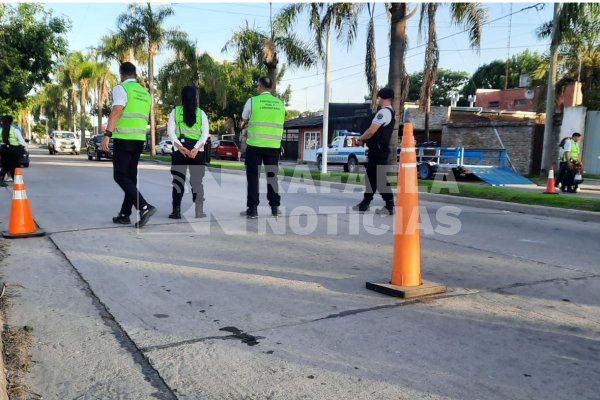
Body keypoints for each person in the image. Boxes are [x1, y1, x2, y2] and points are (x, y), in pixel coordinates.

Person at [101, 62, 156, 228]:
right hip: (138, 139)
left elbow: (117, 111)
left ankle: (144, 206)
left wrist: (107, 135)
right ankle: (125, 214)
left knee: (120, 176)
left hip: (124, 138)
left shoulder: (121, 88)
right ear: (135, 74)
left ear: (122, 74)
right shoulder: (145, 92)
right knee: (130, 178)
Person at [239, 77, 286, 219]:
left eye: (257, 86)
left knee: (253, 177)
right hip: (273, 146)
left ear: (260, 87)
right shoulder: (280, 104)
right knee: (272, 177)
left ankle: (253, 210)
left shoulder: (252, 101)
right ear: (271, 88)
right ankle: (274, 208)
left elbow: (244, 118)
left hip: (255, 145)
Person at [166, 86, 209, 219]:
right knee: (197, 182)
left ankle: (176, 211)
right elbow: (205, 133)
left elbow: (171, 132)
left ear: (182, 97)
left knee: (178, 181)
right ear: (195, 98)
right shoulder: (201, 113)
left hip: (180, 152)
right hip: (197, 153)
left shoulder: (175, 111)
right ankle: (199, 211)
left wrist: (180, 147)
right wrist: (196, 148)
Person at [354, 88, 396, 215]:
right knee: (372, 177)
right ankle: (365, 203)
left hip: (379, 151)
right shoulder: (390, 112)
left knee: (378, 178)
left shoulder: (383, 112)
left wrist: (361, 138)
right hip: (378, 150)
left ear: (382, 98)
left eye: (378, 97)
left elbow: (372, 130)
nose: (377, 99)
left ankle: (389, 205)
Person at [0, 116, 27, 187]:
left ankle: (2, 178)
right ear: (11, 122)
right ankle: (17, 180)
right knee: (15, 166)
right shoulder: (15, 130)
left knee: (5, 165)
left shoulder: (0, 131)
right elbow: (22, 142)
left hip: (4, 150)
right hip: (14, 151)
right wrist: (26, 150)